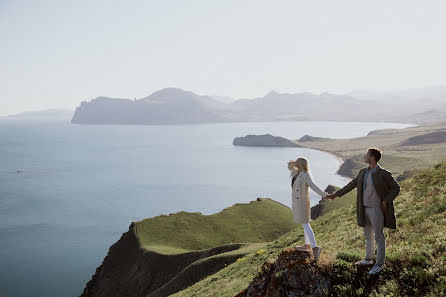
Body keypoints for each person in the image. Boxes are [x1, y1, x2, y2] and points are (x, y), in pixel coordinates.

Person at [326, 148, 400, 275]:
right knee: (367, 235)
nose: (364, 157)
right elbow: (351, 185)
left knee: (379, 237)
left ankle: (379, 265)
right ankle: (368, 259)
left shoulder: (383, 174)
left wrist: (386, 201)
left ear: (372, 158)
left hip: (376, 209)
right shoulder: (363, 172)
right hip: (364, 208)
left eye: (366, 155)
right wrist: (336, 195)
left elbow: (396, 188)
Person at [288, 157, 328, 262]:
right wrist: (294, 162)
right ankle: (307, 245)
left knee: (305, 224)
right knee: (304, 223)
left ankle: (315, 247)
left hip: (303, 203)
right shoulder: (296, 172)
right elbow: (289, 165)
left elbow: (313, 186)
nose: (295, 162)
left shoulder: (305, 175)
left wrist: (324, 195)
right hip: (298, 203)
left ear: (301, 164)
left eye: (297, 161)